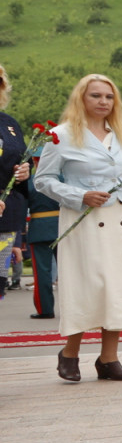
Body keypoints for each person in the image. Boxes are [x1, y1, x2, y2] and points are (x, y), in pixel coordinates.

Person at [33, 73, 122, 382]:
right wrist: (78, 195)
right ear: (81, 98)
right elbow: (42, 180)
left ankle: (109, 359)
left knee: (118, 289)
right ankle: (69, 353)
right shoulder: (61, 135)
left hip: (121, 220)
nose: (103, 102)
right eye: (96, 95)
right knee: (88, 287)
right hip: (84, 221)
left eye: (108, 97)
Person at [0, 66, 29, 303]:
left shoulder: (10, 124)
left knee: (0, 283)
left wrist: (25, 171)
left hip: (6, 217)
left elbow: (21, 162)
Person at [24, 150, 59, 319]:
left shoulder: (30, 182)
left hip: (39, 228)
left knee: (42, 273)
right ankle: (73, 309)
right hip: (62, 227)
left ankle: (45, 309)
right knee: (69, 271)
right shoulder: (62, 179)